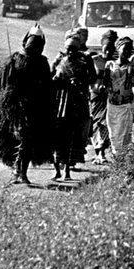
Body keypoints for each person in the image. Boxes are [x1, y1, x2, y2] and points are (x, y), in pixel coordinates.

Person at [0, 24, 54, 185]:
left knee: (26, 139)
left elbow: (47, 86)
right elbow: (2, 84)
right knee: (14, 139)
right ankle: (17, 172)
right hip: (13, 107)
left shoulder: (40, 62)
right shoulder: (15, 59)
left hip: (34, 107)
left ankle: (21, 173)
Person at [51, 29, 95, 181]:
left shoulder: (85, 60)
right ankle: (57, 170)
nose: (71, 52)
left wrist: (81, 82)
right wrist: (57, 81)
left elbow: (93, 78)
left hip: (77, 103)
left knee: (73, 137)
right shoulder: (59, 59)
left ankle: (67, 171)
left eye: (74, 49)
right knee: (57, 137)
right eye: (68, 49)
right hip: (60, 103)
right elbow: (51, 76)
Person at [104, 36, 134, 157]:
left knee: (125, 133)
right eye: (124, 49)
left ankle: (121, 160)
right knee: (114, 134)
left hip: (126, 105)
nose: (126, 52)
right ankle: (118, 158)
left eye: (129, 50)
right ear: (118, 49)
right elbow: (104, 83)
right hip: (112, 104)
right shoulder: (109, 65)